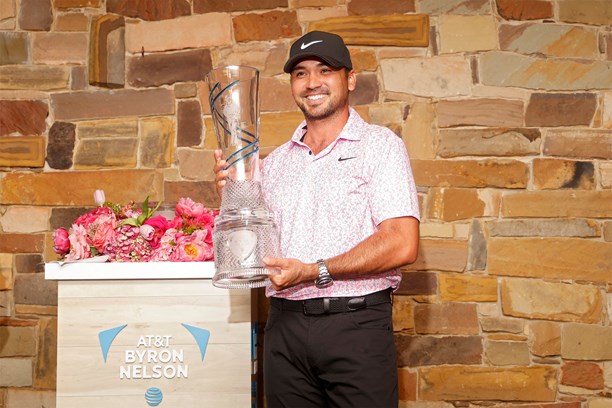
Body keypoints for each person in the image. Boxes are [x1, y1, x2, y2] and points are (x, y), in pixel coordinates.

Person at [214, 31, 420, 408]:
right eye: (301, 73)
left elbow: (402, 242)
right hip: (284, 328)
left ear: (350, 79)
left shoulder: (380, 146)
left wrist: (314, 271)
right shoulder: (272, 164)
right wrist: (232, 195)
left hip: (356, 327)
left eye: (325, 70)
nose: (312, 83)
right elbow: (250, 250)